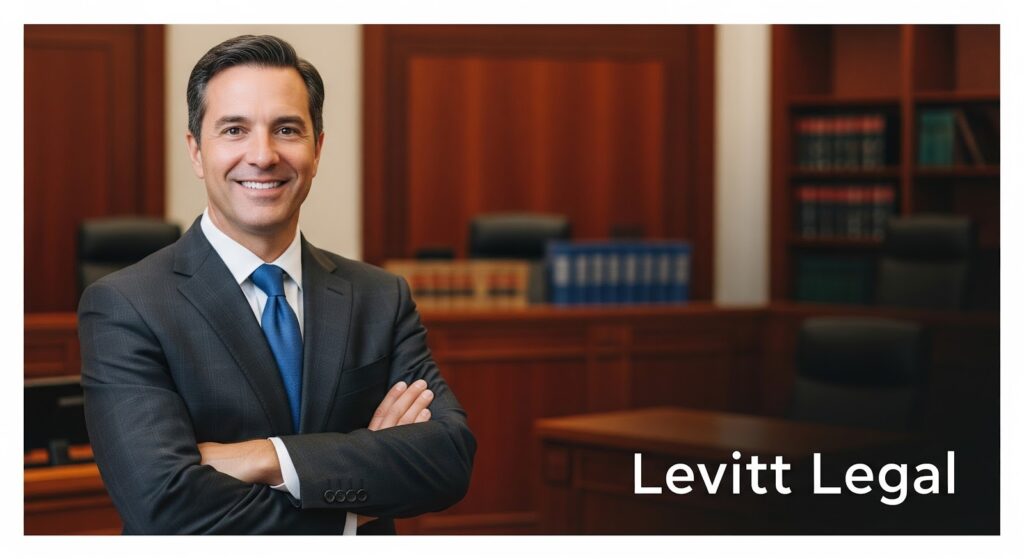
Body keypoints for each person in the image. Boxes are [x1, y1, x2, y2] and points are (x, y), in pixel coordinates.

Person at [78, 34, 476, 535]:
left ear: (318, 149)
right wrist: (353, 505)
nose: (263, 156)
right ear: (197, 152)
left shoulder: (380, 297)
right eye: (234, 130)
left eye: (287, 129)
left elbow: (448, 459)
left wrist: (266, 457)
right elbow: (163, 505)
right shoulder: (125, 305)